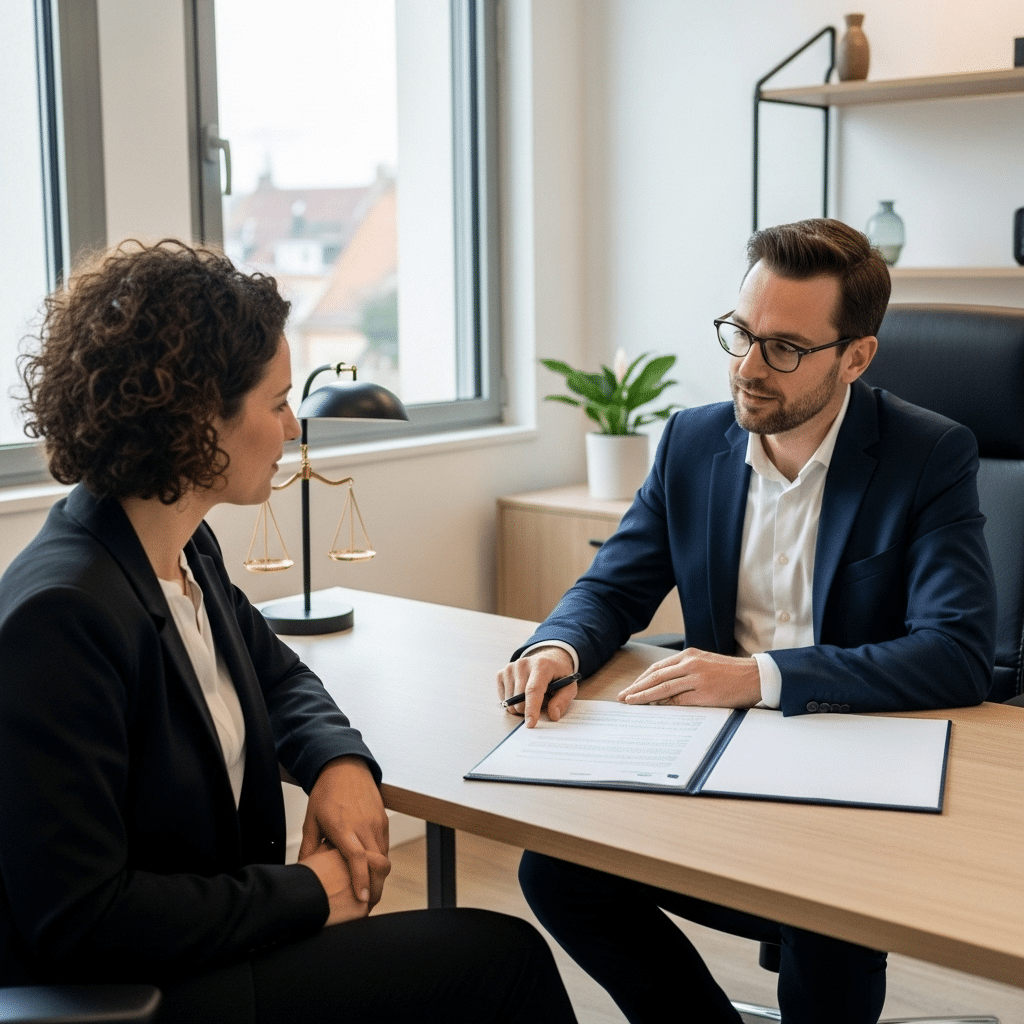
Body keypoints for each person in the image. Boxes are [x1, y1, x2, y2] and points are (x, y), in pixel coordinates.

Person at [0, 239, 578, 1024]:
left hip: (211, 945)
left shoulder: (177, 546)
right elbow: (82, 919)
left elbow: (279, 677)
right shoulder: (62, 616)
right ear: (196, 419)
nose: (294, 428)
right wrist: (307, 894)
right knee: (505, 962)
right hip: (145, 993)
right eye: (276, 404)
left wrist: (337, 761)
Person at [497, 219, 996, 1024]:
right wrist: (558, 645)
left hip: (851, 761)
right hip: (720, 763)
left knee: (825, 915)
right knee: (556, 871)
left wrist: (756, 678)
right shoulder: (693, 441)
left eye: (785, 349)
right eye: (740, 333)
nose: (747, 368)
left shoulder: (928, 455)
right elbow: (613, 586)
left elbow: (958, 653)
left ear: (856, 357)